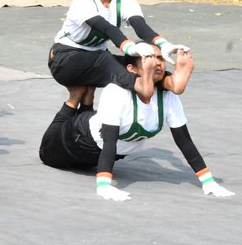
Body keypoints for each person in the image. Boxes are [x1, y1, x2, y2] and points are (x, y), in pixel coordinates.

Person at [39, 49, 233, 201]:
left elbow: (184, 141)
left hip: (110, 154)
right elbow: (109, 140)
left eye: (160, 58)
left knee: (86, 163)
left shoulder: (168, 96)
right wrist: (104, 185)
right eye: (149, 58)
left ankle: (86, 98)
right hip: (77, 139)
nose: (157, 63)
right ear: (131, 69)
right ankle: (74, 99)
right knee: (46, 154)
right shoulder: (116, 92)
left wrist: (208, 182)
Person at [49, 0, 189, 111]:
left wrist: (164, 45)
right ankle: (140, 86)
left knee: (138, 64)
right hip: (64, 60)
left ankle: (171, 82)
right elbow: (107, 29)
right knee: (104, 59)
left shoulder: (126, 1)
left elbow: (141, 27)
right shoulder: (83, 1)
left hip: (95, 60)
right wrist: (130, 48)